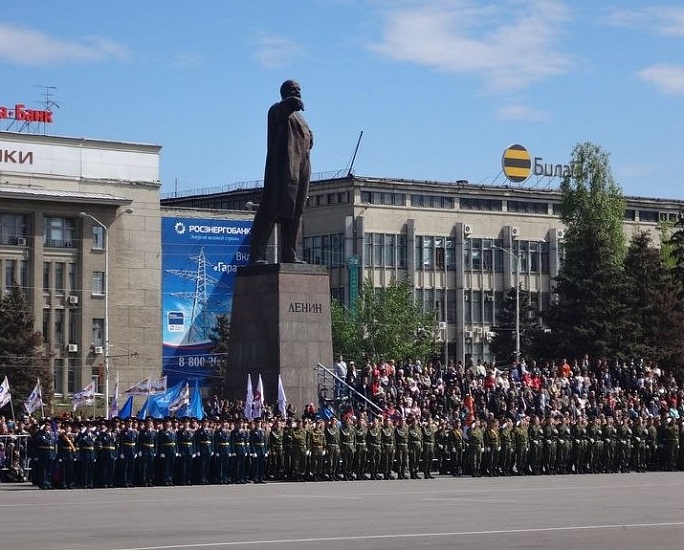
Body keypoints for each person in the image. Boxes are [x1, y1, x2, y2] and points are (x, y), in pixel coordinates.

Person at [249, 79, 313, 265]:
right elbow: (287, 107)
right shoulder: (277, 110)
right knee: (271, 210)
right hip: (282, 168)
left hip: (302, 167)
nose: (298, 92)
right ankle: (257, 256)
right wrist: (293, 101)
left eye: (299, 89)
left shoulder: (301, 119)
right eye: (293, 89)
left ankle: (289, 254)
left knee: (295, 211)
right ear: (284, 92)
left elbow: (309, 139)